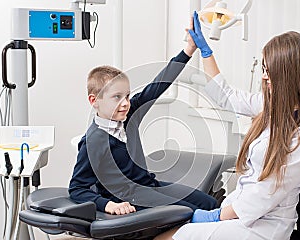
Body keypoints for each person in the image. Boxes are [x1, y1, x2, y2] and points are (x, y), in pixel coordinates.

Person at [145, 11, 300, 240]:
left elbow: (268, 193)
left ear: (290, 74)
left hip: (264, 227)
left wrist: (217, 216)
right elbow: (227, 97)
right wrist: (206, 53)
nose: (264, 77)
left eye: (270, 71)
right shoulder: (275, 106)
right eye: (264, 69)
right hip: (242, 214)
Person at [68, 20, 218, 215]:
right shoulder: (93, 142)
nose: (125, 103)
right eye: (116, 97)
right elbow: (77, 188)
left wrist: (188, 50)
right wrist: (108, 205)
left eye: (127, 96)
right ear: (94, 100)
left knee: (209, 203)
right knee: (191, 212)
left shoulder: (129, 116)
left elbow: (158, 84)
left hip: (150, 186)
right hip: (129, 198)